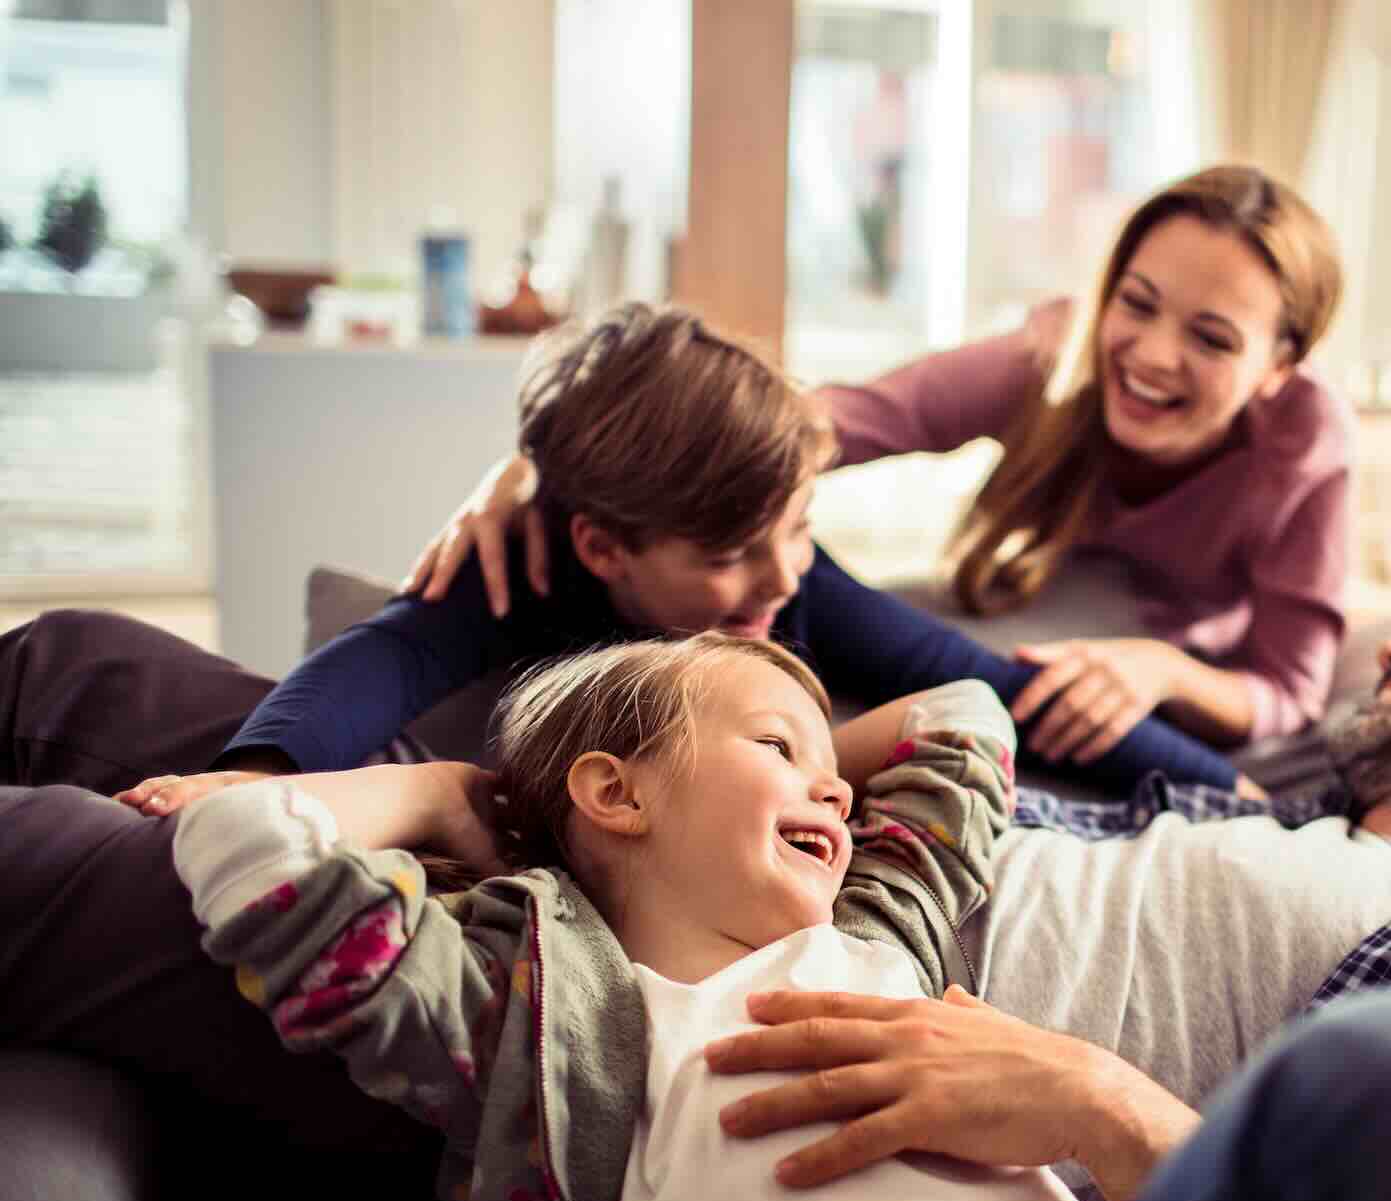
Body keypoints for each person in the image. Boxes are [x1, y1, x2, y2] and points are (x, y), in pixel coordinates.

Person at [0, 604, 1391, 1201]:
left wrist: (1099, 1104)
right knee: (76, 665)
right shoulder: (1246, 807)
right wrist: (526, 782)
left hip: (632, 1062)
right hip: (638, 862)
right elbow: (949, 707)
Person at [133, 301, 1245, 821]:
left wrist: (1227, 786)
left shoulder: (793, 585)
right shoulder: (529, 570)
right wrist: (261, 775)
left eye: (798, 527)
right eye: (729, 555)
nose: (779, 575)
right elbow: (384, 656)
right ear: (601, 546)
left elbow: (978, 677)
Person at [408, 164, 1353, 768]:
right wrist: (539, 469)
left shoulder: (1306, 446)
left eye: (1211, 338)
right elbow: (784, 432)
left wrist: (1163, 673)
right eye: (1136, 304)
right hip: (1021, 611)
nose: (1151, 354)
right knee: (845, 655)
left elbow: (1292, 688)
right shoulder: (1050, 359)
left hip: (1159, 667)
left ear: (1281, 363)